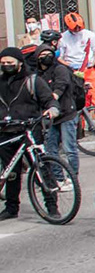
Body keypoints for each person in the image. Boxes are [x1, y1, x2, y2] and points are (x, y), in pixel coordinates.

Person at [0, 48, 57, 221]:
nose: (6, 65)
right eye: (3, 63)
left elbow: (49, 100)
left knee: (41, 169)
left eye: (10, 62)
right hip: (6, 132)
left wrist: (52, 110)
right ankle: (11, 208)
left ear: (19, 63)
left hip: (31, 131)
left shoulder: (33, 81)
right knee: (11, 173)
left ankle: (52, 207)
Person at [32, 31, 83, 186]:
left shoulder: (60, 69)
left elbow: (60, 87)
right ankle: (59, 178)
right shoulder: (37, 74)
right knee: (51, 149)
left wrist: (51, 99)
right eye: (43, 55)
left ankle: (73, 177)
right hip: (50, 117)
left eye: (49, 54)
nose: (46, 57)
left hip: (66, 113)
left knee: (69, 148)